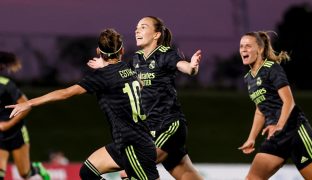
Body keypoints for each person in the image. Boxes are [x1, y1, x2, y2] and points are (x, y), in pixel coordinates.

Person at [7, 28, 159, 180]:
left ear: (98, 51)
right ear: (122, 51)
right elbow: (135, 83)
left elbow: (65, 93)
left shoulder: (102, 77)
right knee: (87, 172)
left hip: (133, 147)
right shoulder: (128, 69)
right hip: (128, 143)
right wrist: (105, 66)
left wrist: (30, 103)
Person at [89, 16, 203, 180]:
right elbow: (123, 77)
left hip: (168, 127)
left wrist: (192, 67)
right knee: (188, 176)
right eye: (136, 27)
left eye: (143, 27)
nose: (137, 30)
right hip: (150, 131)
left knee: (130, 171)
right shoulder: (136, 58)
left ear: (156, 35)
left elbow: (184, 67)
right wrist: (105, 66)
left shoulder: (165, 54)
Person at [238, 31, 312, 179]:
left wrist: (279, 125)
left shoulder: (271, 68)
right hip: (275, 136)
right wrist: (251, 138)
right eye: (241, 46)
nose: (243, 49)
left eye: (248, 46)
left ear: (260, 49)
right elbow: (260, 110)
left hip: (295, 131)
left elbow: (289, 101)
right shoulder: (248, 78)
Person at [0, 51, 50, 180]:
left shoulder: (6, 85)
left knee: (24, 173)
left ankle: (37, 168)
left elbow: (26, 107)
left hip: (16, 133)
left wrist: (8, 124)